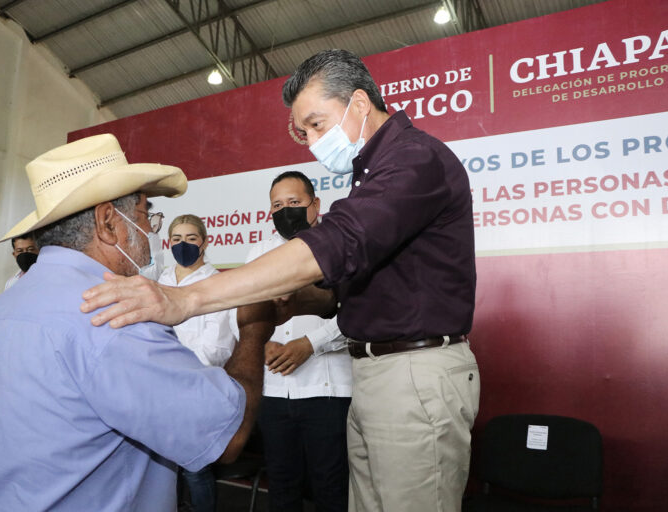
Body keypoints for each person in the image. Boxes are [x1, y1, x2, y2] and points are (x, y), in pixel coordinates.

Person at [81, 49, 479, 512]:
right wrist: (300, 301)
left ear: (359, 103)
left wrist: (187, 300)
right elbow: (366, 282)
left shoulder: (414, 158)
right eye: (303, 131)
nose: (311, 141)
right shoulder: (369, 171)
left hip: (414, 372)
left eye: (316, 124)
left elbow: (339, 243)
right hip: (377, 371)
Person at [0, 133, 270, 511]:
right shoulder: (116, 315)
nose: (150, 230)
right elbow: (228, 436)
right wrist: (254, 331)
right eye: (143, 214)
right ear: (107, 223)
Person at [241, 170, 351, 512]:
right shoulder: (258, 252)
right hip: (274, 392)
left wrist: (311, 343)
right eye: (277, 205)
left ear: (315, 205)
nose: (285, 210)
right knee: (282, 485)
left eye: (294, 202)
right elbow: (245, 311)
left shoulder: (340, 247)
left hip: (328, 392)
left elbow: (357, 314)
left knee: (330, 486)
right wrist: (260, 343)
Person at [158, 214, 237, 512]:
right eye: (176, 239)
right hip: (158, 389)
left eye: (191, 238)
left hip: (198, 390)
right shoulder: (161, 280)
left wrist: (171, 365)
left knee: (195, 470)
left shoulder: (217, 282)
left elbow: (218, 348)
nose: (183, 245)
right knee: (160, 470)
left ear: (205, 242)